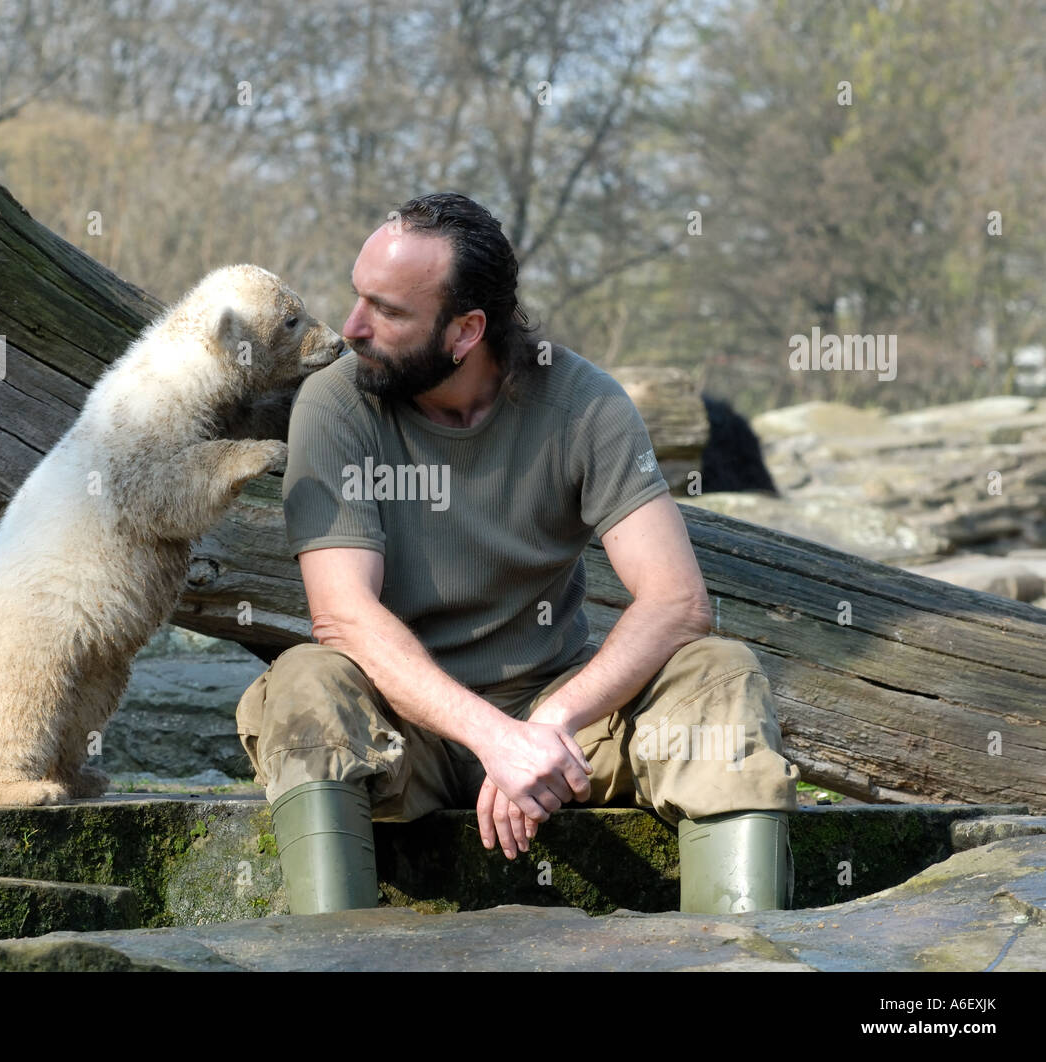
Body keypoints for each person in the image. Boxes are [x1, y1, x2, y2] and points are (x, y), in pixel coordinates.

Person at [235, 192, 800, 916]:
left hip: (566, 732)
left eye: (389, 312)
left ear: (467, 329)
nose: (352, 329)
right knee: (305, 682)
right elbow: (343, 617)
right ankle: (334, 954)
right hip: (403, 731)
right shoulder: (336, 404)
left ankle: (742, 955)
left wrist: (547, 725)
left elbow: (677, 601)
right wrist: (492, 738)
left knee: (721, 671)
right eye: (357, 297)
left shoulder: (584, 403)